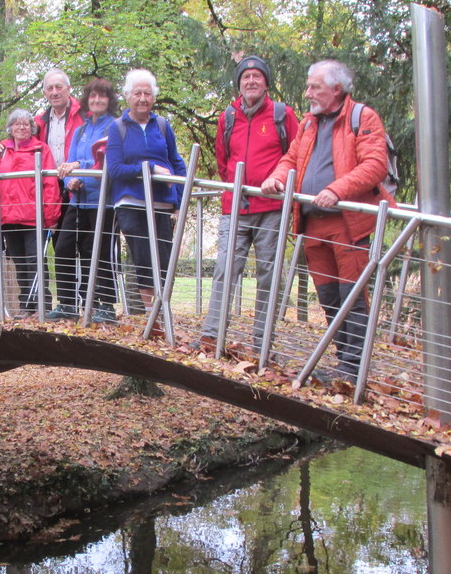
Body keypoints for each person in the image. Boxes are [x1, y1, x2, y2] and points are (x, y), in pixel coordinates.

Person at [262, 59, 393, 381]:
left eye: (314, 86)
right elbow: (291, 158)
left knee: (352, 297)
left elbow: (376, 165)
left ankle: (353, 368)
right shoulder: (309, 124)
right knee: (330, 298)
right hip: (313, 224)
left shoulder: (362, 117)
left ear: (336, 89)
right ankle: (342, 364)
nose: (308, 92)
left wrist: (337, 189)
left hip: (348, 224)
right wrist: (276, 179)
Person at [196, 55, 299, 353]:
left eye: (257, 76)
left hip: (272, 208)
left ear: (266, 82)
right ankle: (212, 337)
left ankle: (263, 342)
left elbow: (295, 154)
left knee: (268, 274)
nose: (251, 81)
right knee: (225, 269)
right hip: (235, 207)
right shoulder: (228, 117)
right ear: (239, 84)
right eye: (246, 77)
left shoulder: (283, 115)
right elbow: (222, 160)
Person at [105, 69, 186, 316]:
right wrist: (149, 168)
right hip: (131, 202)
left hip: (161, 202)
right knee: (143, 258)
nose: (143, 98)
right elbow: (116, 168)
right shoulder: (118, 127)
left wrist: (179, 200)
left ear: (154, 97)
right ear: (128, 97)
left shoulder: (162, 125)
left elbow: (177, 162)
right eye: (138, 93)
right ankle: (153, 316)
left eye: (147, 94)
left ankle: (161, 313)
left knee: (163, 259)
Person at [48, 77, 120, 324]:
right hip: (78, 200)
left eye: (102, 96)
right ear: (87, 99)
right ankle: (68, 303)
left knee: (98, 252)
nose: (97, 100)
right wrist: (70, 181)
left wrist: (82, 166)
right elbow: (69, 163)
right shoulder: (80, 130)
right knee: (64, 248)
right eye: (93, 96)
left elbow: (109, 158)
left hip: (104, 202)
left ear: (109, 100)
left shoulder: (116, 127)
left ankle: (106, 305)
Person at [0, 109, 61, 316]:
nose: (21, 127)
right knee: (19, 262)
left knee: (35, 261)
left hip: (33, 216)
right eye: (17, 124)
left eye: (26, 124)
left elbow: (50, 183)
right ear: (10, 128)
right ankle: (26, 307)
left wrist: (51, 215)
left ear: (32, 128)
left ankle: (42, 306)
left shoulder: (40, 149)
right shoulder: (2, 151)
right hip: (9, 217)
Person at [35, 68, 84, 166]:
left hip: (79, 176)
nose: (54, 93)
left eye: (59, 87)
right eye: (50, 88)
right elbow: (23, 144)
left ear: (69, 89)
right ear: (45, 93)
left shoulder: (85, 114)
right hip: (51, 179)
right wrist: (6, 145)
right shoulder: (39, 122)